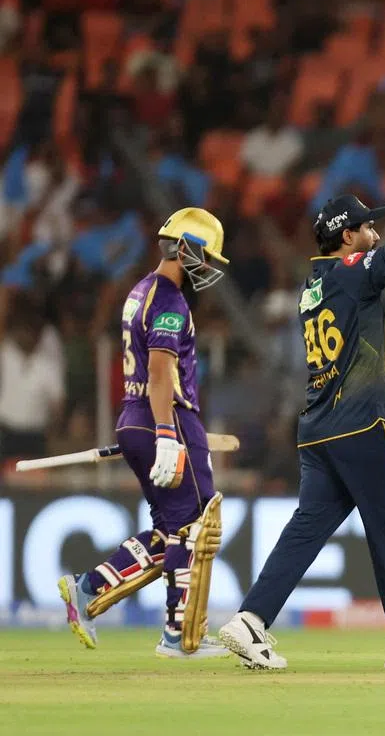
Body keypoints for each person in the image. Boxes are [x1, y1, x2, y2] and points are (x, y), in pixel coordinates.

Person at [218, 156, 385, 671]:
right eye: (367, 226)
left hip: (319, 427)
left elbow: (341, 348)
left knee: (306, 530)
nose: (374, 231)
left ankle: (249, 619)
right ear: (347, 237)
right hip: (362, 426)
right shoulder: (352, 274)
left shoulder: (313, 287)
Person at [58, 207, 231, 659]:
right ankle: (180, 636)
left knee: (171, 530)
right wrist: (167, 434)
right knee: (195, 527)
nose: (209, 267)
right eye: (207, 256)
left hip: (135, 418)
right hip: (166, 417)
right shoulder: (170, 300)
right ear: (187, 249)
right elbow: (160, 373)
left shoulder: (140, 290)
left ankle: (87, 587)